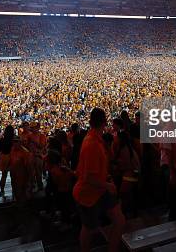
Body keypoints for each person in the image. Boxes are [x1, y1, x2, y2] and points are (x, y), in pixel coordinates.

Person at [73, 108, 124, 252]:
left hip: (99, 190)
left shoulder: (94, 139)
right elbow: (88, 177)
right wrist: (108, 185)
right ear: (104, 122)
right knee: (89, 229)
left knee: (118, 220)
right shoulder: (92, 144)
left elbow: (97, 169)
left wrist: (107, 179)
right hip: (88, 193)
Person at [0, 125, 14, 198]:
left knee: (3, 176)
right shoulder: (14, 139)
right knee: (13, 176)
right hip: (13, 157)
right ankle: (14, 190)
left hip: (4, 157)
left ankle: (2, 190)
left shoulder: (1, 140)